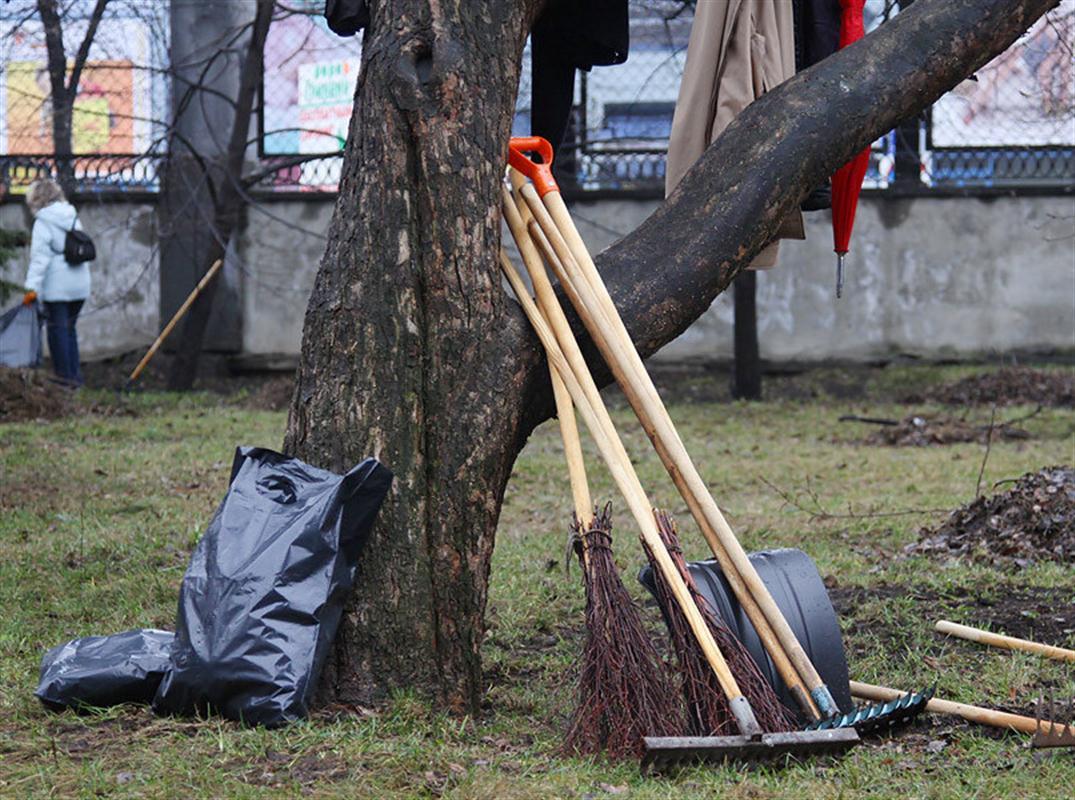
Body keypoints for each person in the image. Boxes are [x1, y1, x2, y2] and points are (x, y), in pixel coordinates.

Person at [22, 178, 91, 388]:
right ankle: (74, 378)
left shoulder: (43, 222)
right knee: (69, 329)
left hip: (57, 287)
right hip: (80, 284)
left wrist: (30, 291)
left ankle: (64, 380)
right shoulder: (71, 215)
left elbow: (39, 260)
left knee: (57, 331)